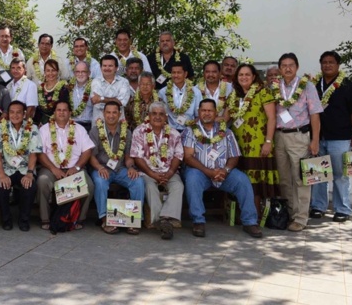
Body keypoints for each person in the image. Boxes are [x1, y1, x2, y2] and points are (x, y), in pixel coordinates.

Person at [182, 99, 263, 238]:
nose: (206, 113)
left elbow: (234, 156)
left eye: (210, 110)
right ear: (199, 112)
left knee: (243, 180)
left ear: (216, 113)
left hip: (224, 172)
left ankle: (250, 222)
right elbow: (188, 157)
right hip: (201, 172)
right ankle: (198, 221)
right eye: (203, 110)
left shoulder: (227, 132)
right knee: (192, 178)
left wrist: (225, 170)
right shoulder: (190, 131)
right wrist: (209, 172)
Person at [272, 53, 323, 232]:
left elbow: (315, 114)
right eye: (284, 65)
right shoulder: (275, 87)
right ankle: (290, 214)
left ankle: (301, 218)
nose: (287, 68)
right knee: (285, 179)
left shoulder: (307, 86)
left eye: (291, 65)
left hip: (299, 136)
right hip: (279, 137)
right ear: (279, 68)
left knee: (300, 179)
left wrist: (315, 140)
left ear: (297, 67)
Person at [310, 51, 352, 223]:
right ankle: (318, 206)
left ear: (338, 65)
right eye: (324, 62)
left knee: (340, 175)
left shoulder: (348, 85)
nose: (327, 65)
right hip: (318, 137)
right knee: (318, 175)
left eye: (331, 62)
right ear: (320, 65)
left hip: (340, 137)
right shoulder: (314, 85)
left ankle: (342, 209)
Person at [129, 101, 184, 240]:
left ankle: (164, 219)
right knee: (149, 186)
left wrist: (170, 173)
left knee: (178, 186)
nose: (157, 117)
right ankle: (165, 222)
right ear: (148, 115)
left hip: (169, 172)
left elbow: (178, 155)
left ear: (166, 117)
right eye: (154, 114)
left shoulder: (174, 133)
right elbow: (137, 157)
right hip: (147, 171)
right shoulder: (139, 131)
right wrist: (152, 174)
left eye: (161, 114)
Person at [37, 101, 95, 230]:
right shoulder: (44, 129)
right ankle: (45, 219)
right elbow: (40, 153)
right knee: (42, 181)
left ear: (70, 113)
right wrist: (54, 169)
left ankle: (79, 218)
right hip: (51, 168)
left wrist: (77, 167)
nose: (62, 112)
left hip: (74, 169)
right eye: (59, 110)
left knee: (89, 185)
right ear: (54, 113)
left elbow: (87, 150)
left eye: (65, 110)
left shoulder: (79, 129)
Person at [225, 64, 279, 204]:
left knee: (256, 183)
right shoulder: (233, 96)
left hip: (258, 145)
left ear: (254, 76)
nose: (244, 77)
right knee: (242, 179)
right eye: (241, 75)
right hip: (238, 146)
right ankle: (242, 214)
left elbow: (272, 118)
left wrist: (268, 142)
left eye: (247, 74)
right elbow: (225, 119)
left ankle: (256, 215)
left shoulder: (263, 92)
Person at [89, 101, 145, 235]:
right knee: (100, 182)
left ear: (120, 114)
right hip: (101, 168)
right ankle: (105, 219)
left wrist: (131, 167)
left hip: (120, 169)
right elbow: (91, 156)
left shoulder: (127, 131)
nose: (111, 115)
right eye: (108, 112)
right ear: (103, 114)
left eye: (114, 112)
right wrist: (99, 168)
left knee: (137, 181)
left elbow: (128, 156)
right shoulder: (95, 131)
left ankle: (134, 220)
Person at [0, 101, 42, 231]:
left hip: (25, 168)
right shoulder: (0, 128)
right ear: (8, 114)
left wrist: (30, 173)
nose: (15, 115)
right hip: (7, 168)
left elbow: (33, 153)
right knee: (0, 187)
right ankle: (6, 219)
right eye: (12, 112)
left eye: (18, 112)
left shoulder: (32, 128)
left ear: (24, 114)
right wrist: (1, 174)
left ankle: (24, 219)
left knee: (30, 186)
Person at [159, 62, 202, 132]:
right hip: (169, 130)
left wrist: (193, 129)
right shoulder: (163, 92)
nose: (176, 75)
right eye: (173, 73)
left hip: (189, 130)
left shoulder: (195, 92)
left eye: (179, 73)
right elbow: (160, 113)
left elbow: (199, 115)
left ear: (185, 74)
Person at [90, 55, 132, 123]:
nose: (107, 68)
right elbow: (97, 103)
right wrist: (115, 99)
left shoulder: (124, 82)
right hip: (99, 121)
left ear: (116, 68)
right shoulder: (95, 82)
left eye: (110, 66)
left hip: (118, 123)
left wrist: (101, 99)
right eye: (104, 66)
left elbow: (121, 102)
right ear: (100, 68)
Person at [36, 59, 70, 125]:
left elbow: (64, 109)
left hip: (58, 124)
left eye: (53, 70)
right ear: (44, 72)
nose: (50, 73)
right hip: (41, 124)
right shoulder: (40, 88)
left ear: (57, 72)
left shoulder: (63, 88)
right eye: (48, 71)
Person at [70, 61, 93, 132]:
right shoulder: (68, 87)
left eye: (83, 71)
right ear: (74, 73)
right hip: (72, 125)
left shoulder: (94, 86)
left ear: (89, 73)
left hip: (88, 125)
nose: (80, 74)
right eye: (77, 71)